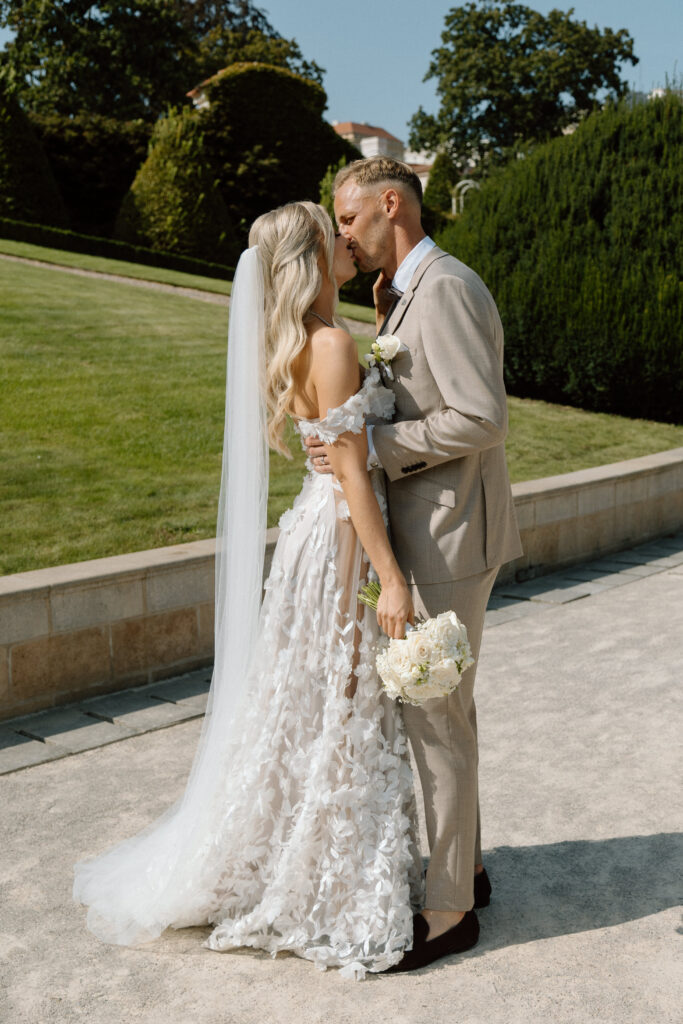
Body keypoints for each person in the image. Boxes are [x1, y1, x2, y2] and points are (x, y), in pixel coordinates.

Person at [73, 201, 425, 980]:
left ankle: (298, 852)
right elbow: (352, 476)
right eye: (331, 235)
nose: (346, 240)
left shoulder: (301, 339)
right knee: (339, 695)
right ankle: (321, 880)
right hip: (338, 536)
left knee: (317, 698)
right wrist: (392, 578)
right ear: (307, 259)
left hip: (309, 527)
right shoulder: (328, 345)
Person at [305, 157, 522, 972]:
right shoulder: (395, 290)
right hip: (424, 532)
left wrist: (373, 447)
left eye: (349, 217)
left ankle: (450, 912)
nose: (344, 234)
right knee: (443, 712)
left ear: (389, 205)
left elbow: (481, 417)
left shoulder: (450, 287)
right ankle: (462, 867)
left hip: (449, 537)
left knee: (434, 717)